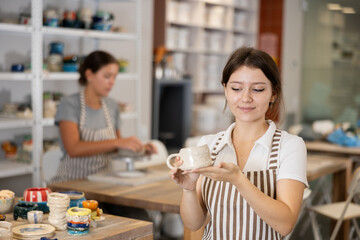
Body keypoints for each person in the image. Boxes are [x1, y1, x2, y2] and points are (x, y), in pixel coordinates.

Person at [170, 47, 308, 239]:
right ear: (225, 90)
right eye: (236, 88)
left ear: (273, 94)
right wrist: (189, 189)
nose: (245, 98)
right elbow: (194, 223)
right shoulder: (209, 145)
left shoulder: (290, 146)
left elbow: (285, 224)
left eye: (258, 89)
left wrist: (239, 180)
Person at [52, 50, 155, 183]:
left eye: (114, 77)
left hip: (105, 182)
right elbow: (73, 148)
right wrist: (118, 142)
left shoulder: (112, 106)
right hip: (71, 184)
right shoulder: (69, 104)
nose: (112, 82)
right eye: (107, 76)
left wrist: (140, 148)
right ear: (89, 75)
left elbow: (118, 147)